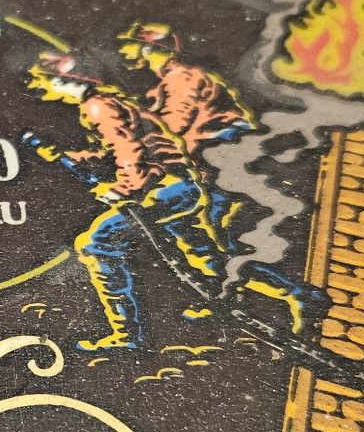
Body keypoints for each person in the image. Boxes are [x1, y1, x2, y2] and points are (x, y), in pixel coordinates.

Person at [117, 22, 324, 336]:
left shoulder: (182, 78)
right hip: (215, 160)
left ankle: (297, 296)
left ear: (150, 48)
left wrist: (160, 165)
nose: (124, 51)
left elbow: (175, 129)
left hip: (226, 159)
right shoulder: (166, 82)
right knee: (204, 236)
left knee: (217, 237)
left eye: (131, 44)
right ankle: (228, 297)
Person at [24, 55, 223, 353]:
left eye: (49, 81)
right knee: (195, 245)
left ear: (69, 81)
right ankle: (229, 300)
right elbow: (121, 147)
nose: (46, 88)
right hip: (180, 185)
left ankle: (128, 333)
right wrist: (75, 157)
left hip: (161, 189)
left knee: (98, 244)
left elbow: (127, 150)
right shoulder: (110, 104)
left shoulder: (98, 107)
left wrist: (124, 188)